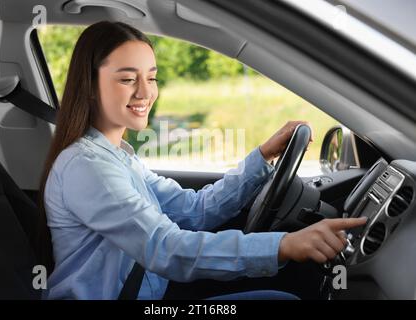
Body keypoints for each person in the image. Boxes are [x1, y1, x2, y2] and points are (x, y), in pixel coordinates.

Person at [39, 21, 367, 300]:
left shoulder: (119, 158)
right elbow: (164, 248)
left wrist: (263, 156)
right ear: (91, 86)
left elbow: (194, 211)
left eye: (151, 77)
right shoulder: (87, 167)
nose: (145, 93)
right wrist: (283, 245)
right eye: (127, 79)